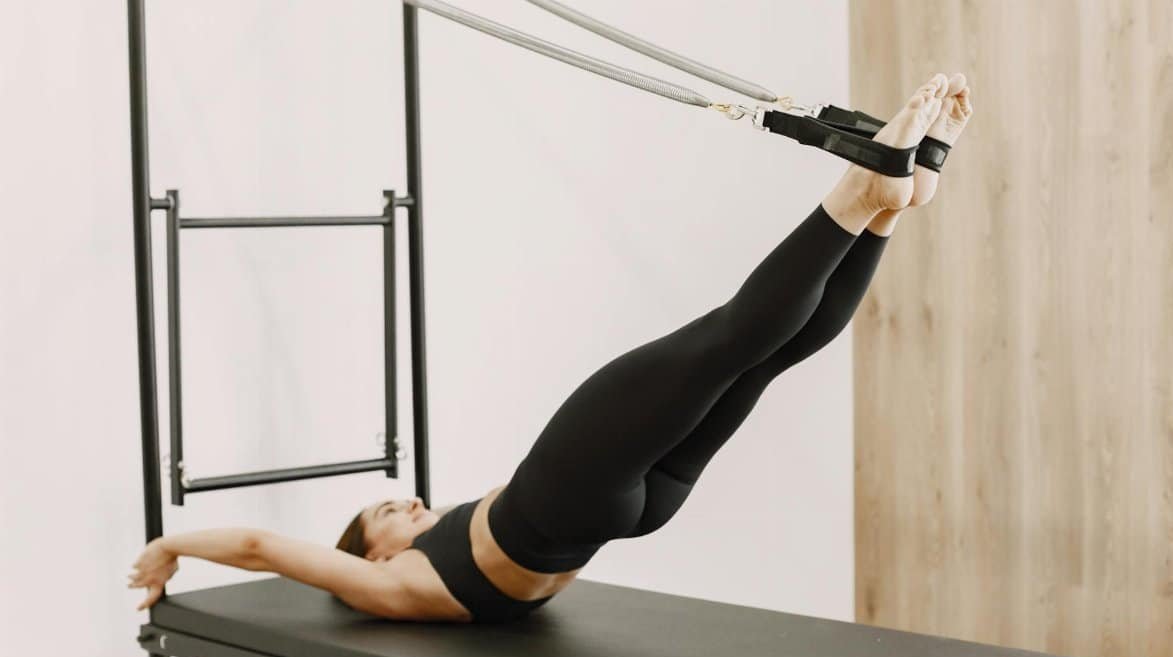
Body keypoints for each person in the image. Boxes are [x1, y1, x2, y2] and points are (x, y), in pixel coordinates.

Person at [129, 73, 974, 624]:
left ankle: (889, 206)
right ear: (373, 554)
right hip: (572, 497)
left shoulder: (431, 559)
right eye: (390, 514)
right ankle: (858, 189)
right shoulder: (389, 583)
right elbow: (264, 549)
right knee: (725, 342)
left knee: (763, 357)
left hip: (626, 509)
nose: (411, 501)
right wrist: (172, 547)